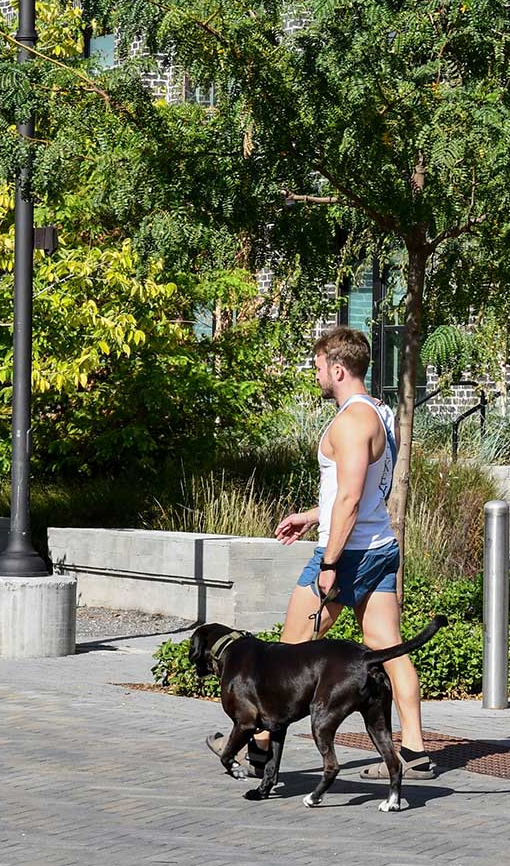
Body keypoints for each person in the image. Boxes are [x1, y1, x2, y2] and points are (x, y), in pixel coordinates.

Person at [207, 326, 436, 781]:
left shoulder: (351, 421)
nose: (315, 375)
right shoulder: (381, 413)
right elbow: (366, 492)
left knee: (286, 655)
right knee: (388, 648)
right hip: (379, 547)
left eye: (317, 367)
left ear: (337, 368)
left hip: (346, 554)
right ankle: (414, 748)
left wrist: (329, 563)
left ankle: (258, 746)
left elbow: (351, 498)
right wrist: (313, 516)